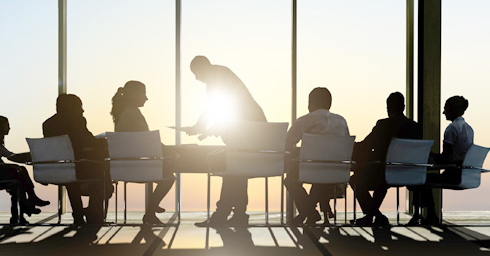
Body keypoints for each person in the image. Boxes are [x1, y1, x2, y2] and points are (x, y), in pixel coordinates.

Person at [180, 55, 267, 227]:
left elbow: (213, 107)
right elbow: (226, 110)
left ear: (203, 67)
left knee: (231, 168)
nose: (197, 78)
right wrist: (205, 129)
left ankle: (223, 214)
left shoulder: (215, 78)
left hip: (246, 129)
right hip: (251, 128)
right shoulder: (221, 74)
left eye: (196, 73)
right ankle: (238, 214)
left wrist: (200, 126)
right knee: (237, 170)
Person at [348, 92, 422, 227]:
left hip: (384, 173)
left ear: (388, 108)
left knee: (354, 180)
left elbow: (366, 145)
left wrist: (349, 146)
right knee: (381, 177)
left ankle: (374, 215)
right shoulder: (415, 127)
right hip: (409, 174)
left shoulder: (383, 125)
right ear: (403, 107)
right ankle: (374, 215)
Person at [111, 80, 176, 225]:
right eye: (144, 93)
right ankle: (150, 211)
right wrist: (169, 151)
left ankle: (152, 207)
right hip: (139, 167)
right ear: (135, 95)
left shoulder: (121, 113)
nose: (146, 98)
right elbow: (147, 140)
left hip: (123, 167)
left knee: (166, 170)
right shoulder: (133, 113)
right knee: (169, 177)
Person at [283, 87, 349, 226]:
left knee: (290, 180)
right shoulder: (342, 121)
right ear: (329, 104)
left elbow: (287, 143)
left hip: (312, 170)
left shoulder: (304, 121)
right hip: (337, 173)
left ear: (311, 103)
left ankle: (309, 212)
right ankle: (316, 210)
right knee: (321, 179)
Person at [42, 94, 111, 225]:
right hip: (81, 167)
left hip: (58, 168)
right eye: (80, 107)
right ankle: (93, 213)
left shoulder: (47, 124)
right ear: (71, 108)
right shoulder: (77, 120)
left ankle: (79, 214)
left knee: (71, 176)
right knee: (102, 172)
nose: (82, 110)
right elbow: (87, 140)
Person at [409, 95, 473, 226]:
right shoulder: (468, 128)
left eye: (446, 109)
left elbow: (445, 158)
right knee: (423, 180)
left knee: (419, 180)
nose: (443, 112)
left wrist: (429, 154)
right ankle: (429, 215)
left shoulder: (452, 129)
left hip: (453, 173)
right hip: (464, 172)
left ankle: (422, 215)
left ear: (453, 110)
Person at [0, 115, 51, 208]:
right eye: (7, 125)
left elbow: (9, 155)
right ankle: (31, 199)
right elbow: (10, 156)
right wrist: (32, 155)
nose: (9, 128)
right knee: (21, 172)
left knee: (19, 180)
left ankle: (26, 206)